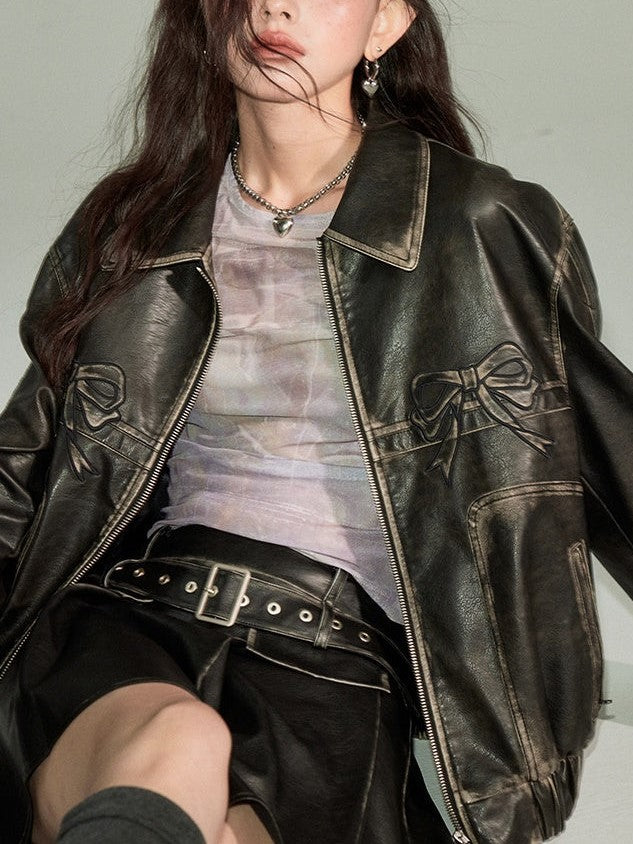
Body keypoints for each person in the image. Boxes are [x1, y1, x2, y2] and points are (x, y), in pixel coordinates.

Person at [2, 0, 633, 842]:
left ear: (386, 25)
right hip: (129, 629)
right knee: (176, 741)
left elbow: (606, 457)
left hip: (339, 663)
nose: (276, 5)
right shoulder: (130, 226)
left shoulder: (480, 224)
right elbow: (24, 469)